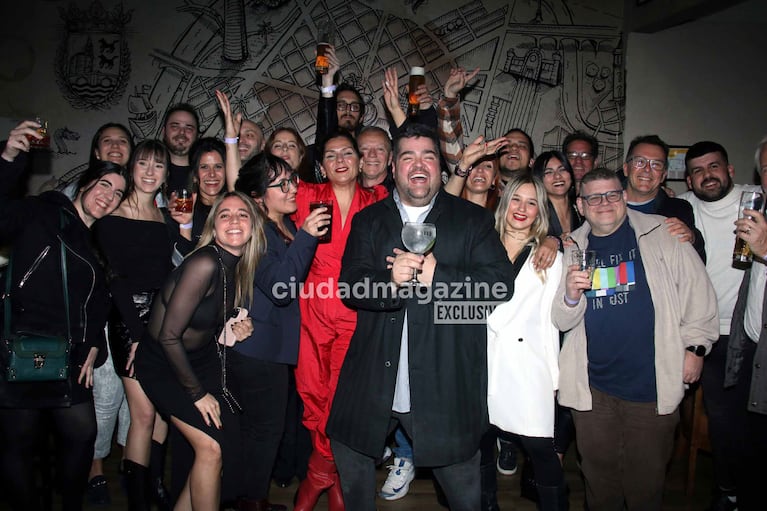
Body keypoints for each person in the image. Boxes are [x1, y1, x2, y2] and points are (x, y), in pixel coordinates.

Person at [326, 124, 515, 511]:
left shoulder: (472, 220)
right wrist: (389, 282)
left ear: (441, 167)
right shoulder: (369, 221)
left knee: (464, 492)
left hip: (445, 384)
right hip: (373, 381)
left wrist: (437, 277)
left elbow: (499, 286)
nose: (418, 165)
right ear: (393, 165)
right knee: (352, 466)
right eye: (408, 156)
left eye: (428, 156)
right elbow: (350, 287)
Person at [552, 167, 719, 510]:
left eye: (612, 194)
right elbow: (561, 319)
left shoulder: (664, 235)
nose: (604, 203)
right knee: (599, 481)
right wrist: (570, 295)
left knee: (645, 484)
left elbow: (699, 295)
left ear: (625, 197)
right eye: (594, 197)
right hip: (594, 389)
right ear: (581, 205)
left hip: (651, 387)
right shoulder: (572, 248)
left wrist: (696, 348)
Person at [0, 119, 129, 511]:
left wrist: (92, 344)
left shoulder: (97, 244)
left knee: (81, 433)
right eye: (104, 184)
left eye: (119, 193)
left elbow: (100, 302)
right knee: (18, 443)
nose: (109, 196)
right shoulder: (43, 211)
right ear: (87, 182)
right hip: (21, 347)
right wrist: (9, 158)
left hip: (70, 355)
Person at [135, 191, 264, 510]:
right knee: (210, 449)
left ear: (253, 226)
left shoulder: (238, 265)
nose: (234, 220)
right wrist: (196, 394)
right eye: (225, 215)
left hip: (201, 359)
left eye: (242, 214)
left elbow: (208, 321)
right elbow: (168, 336)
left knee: (222, 443)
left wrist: (238, 326)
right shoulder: (205, 262)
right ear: (213, 226)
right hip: (164, 363)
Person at [291, 131, 388, 511]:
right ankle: (335, 481)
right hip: (312, 309)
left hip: (355, 311)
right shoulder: (306, 196)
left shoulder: (378, 199)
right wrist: (232, 139)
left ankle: (317, 477)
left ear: (362, 161)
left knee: (340, 400)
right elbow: (247, 185)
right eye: (331, 155)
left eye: (348, 152)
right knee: (311, 394)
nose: (341, 159)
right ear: (322, 164)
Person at [230, 153, 328, 511]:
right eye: (281, 184)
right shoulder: (259, 231)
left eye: (292, 180)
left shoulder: (282, 225)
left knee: (264, 433)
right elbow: (283, 287)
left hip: (272, 347)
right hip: (257, 350)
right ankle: (251, 502)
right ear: (258, 197)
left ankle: (253, 497)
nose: (292, 188)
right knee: (262, 433)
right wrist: (306, 237)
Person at [678, 141, 762, 511]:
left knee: (751, 422)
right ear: (688, 178)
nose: (706, 175)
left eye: (714, 167)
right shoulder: (683, 208)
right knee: (724, 421)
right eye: (697, 170)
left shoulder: (756, 201)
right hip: (708, 332)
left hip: (750, 331)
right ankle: (728, 490)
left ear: (731, 170)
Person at [93, 140, 176, 511]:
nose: (149, 172)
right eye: (143, 163)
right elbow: (115, 281)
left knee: (161, 411)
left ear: (165, 174)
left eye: (158, 166)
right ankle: (138, 500)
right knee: (142, 414)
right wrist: (137, 334)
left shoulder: (165, 217)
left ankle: (155, 486)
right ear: (132, 168)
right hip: (131, 321)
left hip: (164, 320)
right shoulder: (112, 216)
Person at [487, 174, 567, 510]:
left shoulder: (549, 256)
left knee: (541, 450)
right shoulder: (482, 245)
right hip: (485, 362)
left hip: (527, 365)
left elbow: (551, 323)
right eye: (516, 200)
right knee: (480, 450)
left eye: (531, 202)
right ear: (505, 204)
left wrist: (553, 376)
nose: (522, 208)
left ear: (540, 211)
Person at [724, 134, 767, 511]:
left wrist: (766, 250)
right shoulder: (759, 213)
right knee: (747, 444)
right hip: (750, 347)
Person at [622, 135, 705, 260]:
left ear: (663, 175)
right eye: (640, 162)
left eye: (656, 164)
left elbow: (697, 265)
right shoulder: (602, 205)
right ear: (626, 169)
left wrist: (692, 239)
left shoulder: (678, 209)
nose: (647, 169)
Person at [162, 103, 200, 193]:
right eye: (175, 126)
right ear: (163, 132)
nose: (182, 132)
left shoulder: (205, 175)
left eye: (189, 128)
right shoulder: (149, 171)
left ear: (197, 135)